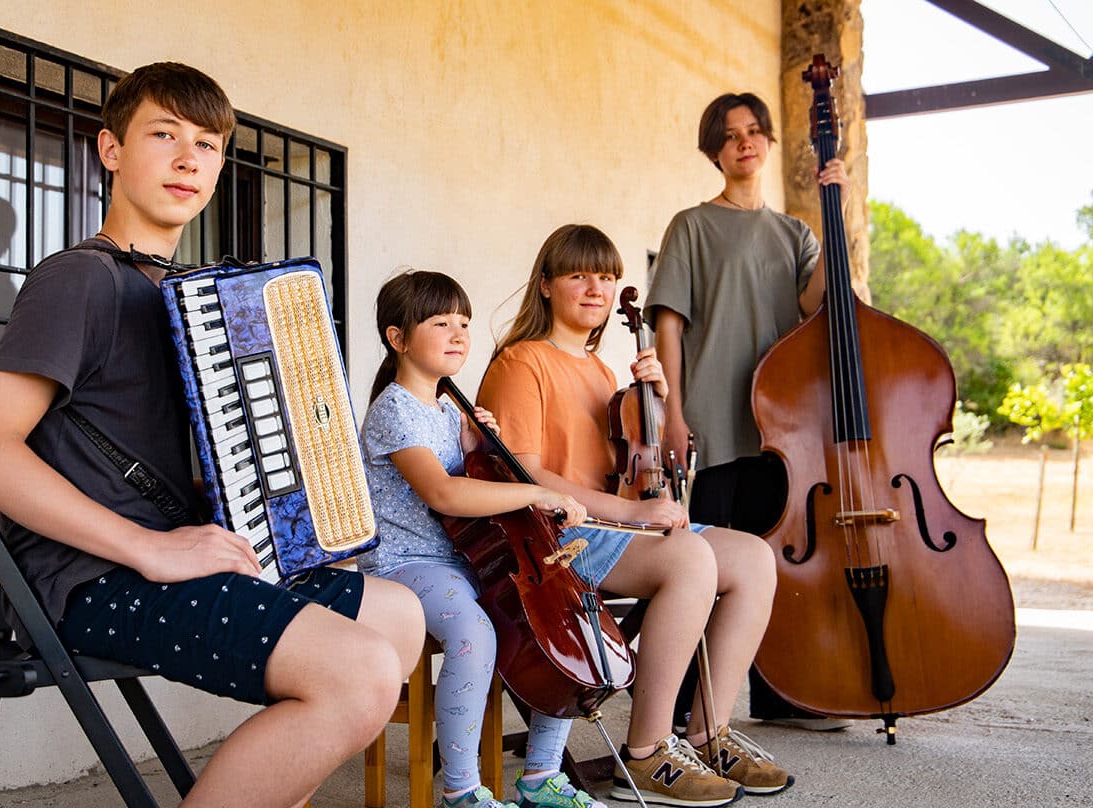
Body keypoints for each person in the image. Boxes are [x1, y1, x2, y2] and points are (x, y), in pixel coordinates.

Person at [0, 62, 424, 808]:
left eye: (206, 144)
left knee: (398, 612)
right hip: (89, 578)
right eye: (163, 134)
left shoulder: (184, 296)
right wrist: (152, 547)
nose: (186, 159)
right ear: (110, 149)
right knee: (357, 672)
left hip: (181, 557)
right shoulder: (81, 279)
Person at [477, 225, 793, 807]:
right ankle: (646, 753)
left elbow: (638, 466)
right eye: (578, 275)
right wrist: (633, 511)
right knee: (689, 559)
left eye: (606, 276)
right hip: (558, 534)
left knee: (753, 557)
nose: (595, 288)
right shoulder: (522, 363)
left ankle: (707, 734)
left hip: (613, 526)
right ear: (546, 286)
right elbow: (523, 477)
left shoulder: (602, 373)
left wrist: (661, 398)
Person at [644, 91, 850, 731]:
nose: (745, 142)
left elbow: (822, 301)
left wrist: (831, 205)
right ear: (714, 150)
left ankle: (783, 696)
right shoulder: (692, 225)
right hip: (711, 414)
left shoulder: (795, 232)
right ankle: (680, 709)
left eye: (755, 131)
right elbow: (669, 325)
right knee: (704, 568)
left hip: (781, 427)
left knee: (776, 560)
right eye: (730, 135)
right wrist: (673, 412)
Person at [359, 269, 591, 808]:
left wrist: (474, 444)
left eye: (463, 321)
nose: (459, 333)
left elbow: (471, 483)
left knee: (556, 626)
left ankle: (540, 777)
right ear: (398, 338)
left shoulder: (446, 409)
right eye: (441, 322)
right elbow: (445, 494)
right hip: (404, 565)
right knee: (473, 632)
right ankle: (461, 791)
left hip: (459, 561)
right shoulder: (394, 409)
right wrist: (534, 495)